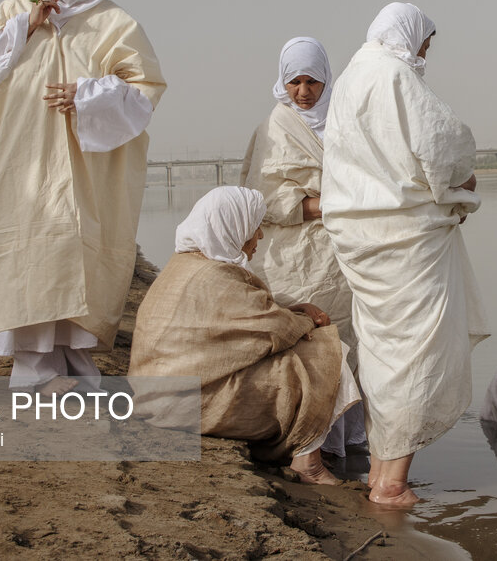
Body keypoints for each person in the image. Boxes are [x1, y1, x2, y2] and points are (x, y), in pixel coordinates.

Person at [0, 0, 165, 394]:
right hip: (16, 162)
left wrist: (88, 95)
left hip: (82, 169)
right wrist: (25, 25)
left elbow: (144, 89)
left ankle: (75, 365)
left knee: (71, 258)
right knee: (28, 256)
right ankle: (34, 373)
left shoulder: (114, 24)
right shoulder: (17, 6)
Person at [321, 2, 490, 506]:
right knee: (418, 352)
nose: (424, 54)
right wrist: (460, 182)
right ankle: (391, 484)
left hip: (359, 238)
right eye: (425, 44)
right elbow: (443, 142)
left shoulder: (351, 77)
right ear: (408, 37)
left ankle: (379, 469)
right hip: (406, 239)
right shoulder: (392, 74)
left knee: (381, 350)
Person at [127, 186, 361, 485]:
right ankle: (308, 461)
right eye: (255, 228)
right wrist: (308, 321)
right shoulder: (215, 276)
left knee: (305, 352)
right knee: (325, 354)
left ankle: (312, 447)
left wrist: (294, 310)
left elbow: (248, 322)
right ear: (232, 227)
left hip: (155, 398)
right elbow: (273, 329)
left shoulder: (188, 265)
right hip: (182, 405)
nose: (260, 236)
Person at [239, 36, 366, 458]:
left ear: (327, 81)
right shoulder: (272, 129)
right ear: (283, 81)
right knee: (302, 343)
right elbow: (262, 194)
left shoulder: (347, 122)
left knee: (346, 341)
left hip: (342, 255)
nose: (304, 91)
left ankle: (340, 441)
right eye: (295, 81)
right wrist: (319, 204)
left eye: (313, 81)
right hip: (290, 255)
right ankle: (297, 436)